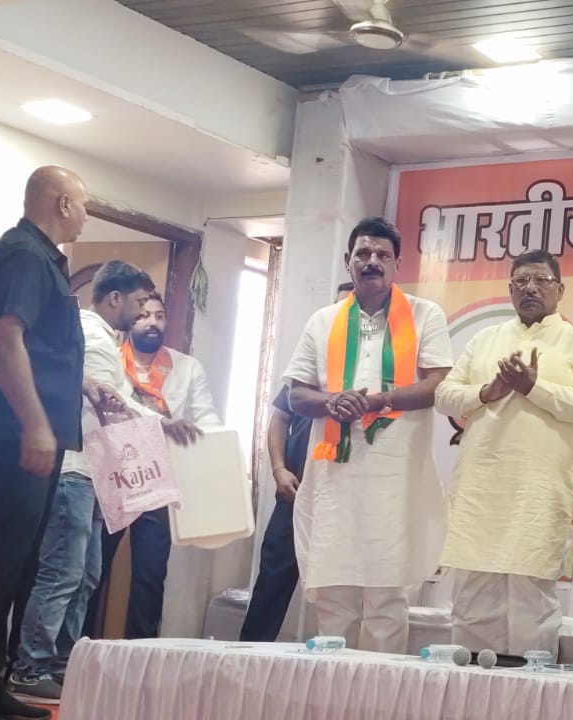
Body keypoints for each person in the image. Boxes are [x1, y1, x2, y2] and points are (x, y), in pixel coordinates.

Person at [0, 166, 122, 720]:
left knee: (16, 566)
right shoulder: (22, 255)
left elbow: (37, 350)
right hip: (7, 436)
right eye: (83, 205)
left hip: (27, 434)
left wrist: (81, 386)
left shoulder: (42, 259)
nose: (86, 216)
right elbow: (3, 339)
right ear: (62, 204)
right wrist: (36, 423)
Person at [6, 262, 187, 704]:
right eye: (139, 302)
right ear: (114, 298)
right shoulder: (88, 331)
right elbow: (110, 399)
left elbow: (111, 398)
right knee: (62, 573)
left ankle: (63, 663)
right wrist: (161, 422)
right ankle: (29, 668)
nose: (143, 312)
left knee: (86, 575)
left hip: (94, 472)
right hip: (72, 469)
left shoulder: (106, 339)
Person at [283, 217, 452, 652]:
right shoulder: (323, 321)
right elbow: (297, 395)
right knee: (334, 599)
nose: (372, 261)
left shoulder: (425, 315)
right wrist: (332, 402)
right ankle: (330, 688)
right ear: (348, 261)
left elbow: (438, 385)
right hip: (336, 481)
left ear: (397, 264)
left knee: (386, 600)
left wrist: (376, 401)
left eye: (382, 254)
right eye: (363, 253)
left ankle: (381, 689)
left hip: (395, 481)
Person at [435, 250, 573, 656]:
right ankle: (473, 689)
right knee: (472, 602)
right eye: (521, 281)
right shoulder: (485, 339)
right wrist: (486, 392)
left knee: (531, 606)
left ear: (560, 290)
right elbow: (444, 395)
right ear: (510, 290)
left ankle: (530, 690)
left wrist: (534, 388)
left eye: (541, 281)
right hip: (481, 489)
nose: (530, 288)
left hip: (539, 492)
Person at [82, 291, 213, 641]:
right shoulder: (109, 358)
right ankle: (79, 648)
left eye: (159, 315)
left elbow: (207, 421)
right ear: (130, 319)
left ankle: (141, 652)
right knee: (93, 568)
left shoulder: (187, 368)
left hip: (158, 479)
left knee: (150, 574)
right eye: (143, 315)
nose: (152, 322)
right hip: (113, 475)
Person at [240, 281, 352, 643]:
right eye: (338, 308)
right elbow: (279, 420)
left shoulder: (370, 371)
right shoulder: (309, 365)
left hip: (344, 498)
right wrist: (278, 470)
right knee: (272, 582)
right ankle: (249, 659)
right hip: (296, 491)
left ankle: (335, 665)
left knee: (340, 592)